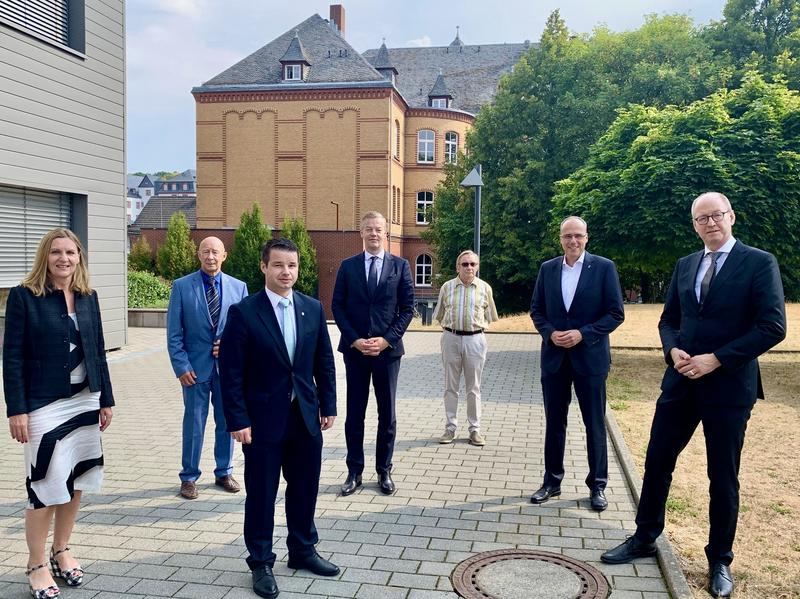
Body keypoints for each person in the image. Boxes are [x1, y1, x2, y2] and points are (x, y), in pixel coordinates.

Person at [601, 192, 786, 598]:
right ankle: (645, 536)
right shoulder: (686, 265)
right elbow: (670, 320)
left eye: (716, 216)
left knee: (722, 476)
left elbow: (773, 327)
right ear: (694, 225)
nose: (709, 224)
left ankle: (720, 559)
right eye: (701, 219)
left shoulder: (759, 262)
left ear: (731, 216)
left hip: (729, 388)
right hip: (681, 382)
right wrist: (672, 349)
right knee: (657, 461)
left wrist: (716, 359)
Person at [219, 238, 339, 599]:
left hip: (304, 417)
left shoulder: (313, 308)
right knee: (262, 494)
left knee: (305, 488)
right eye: (278, 265)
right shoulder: (244, 313)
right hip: (261, 422)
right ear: (263, 267)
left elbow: (324, 361)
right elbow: (231, 373)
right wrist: (237, 419)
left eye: (292, 266)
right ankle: (261, 562)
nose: (286, 272)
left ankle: (302, 550)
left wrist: (328, 405)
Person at [3, 228, 114, 599]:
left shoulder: (87, 296)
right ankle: (36, 564)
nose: (63, 259)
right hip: (43, 405)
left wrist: (106, 399)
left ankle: (62, 549)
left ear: (79, 256)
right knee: (45, 486)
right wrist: (16, 409)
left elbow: (97, 351)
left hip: (84, 401)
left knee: (76, 480)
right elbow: (12, 358)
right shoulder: (24, 297)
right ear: (44, 257)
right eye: (56, 253)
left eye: (70, 252)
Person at [530, 216, 624, 512]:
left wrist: (582, 333)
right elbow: (537, 310)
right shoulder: (548, 269)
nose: (573, 241)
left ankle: (597, 485)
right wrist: (550, 333)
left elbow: (615, 313)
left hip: (590, 359)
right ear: (561, 239)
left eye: (578, 236)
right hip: (555, 360)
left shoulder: (604, 268)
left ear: (587, 238)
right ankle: (552, 481)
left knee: (594, 423)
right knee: (554, 423)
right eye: (568, 236)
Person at [332, 211, 414, 496]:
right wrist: (354, 340)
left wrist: (386, 340)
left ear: (386, 233)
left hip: (387, 353)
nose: (374, 234)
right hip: (355, 352)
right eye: (369, 229)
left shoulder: (400, 266)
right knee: (355, 413)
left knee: (387, 414)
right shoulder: (348, 266)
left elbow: (406, 310)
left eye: (379, 229)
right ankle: (354, 471)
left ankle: (384, 470)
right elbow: (338, 307)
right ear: (361, 233)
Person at [167, 236, 248, 500]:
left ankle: (224, 471)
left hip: (228, 370)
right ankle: (189, 477)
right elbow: (174, 333)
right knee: (194, 423)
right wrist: (181, 366)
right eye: (205, 252)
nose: (210, 256)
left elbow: (245, 332)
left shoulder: (239, 287)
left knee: (227, 422)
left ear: (224, 255)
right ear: (198, 255)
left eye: (215, 252)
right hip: (194, 370)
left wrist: (230, 346)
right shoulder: (181, 287)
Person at [433, 250, 498, 446]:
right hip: (451, 338)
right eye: (465, 264)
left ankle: (475, 430)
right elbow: (440, 314)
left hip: (475, 340)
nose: (469, 267)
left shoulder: (485, 288)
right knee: (450, 387)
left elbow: (490, 316)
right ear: (457, 267)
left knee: (474, 387)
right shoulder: (447, 287)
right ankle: (450, 428)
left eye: (472, 264)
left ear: (477, 267)